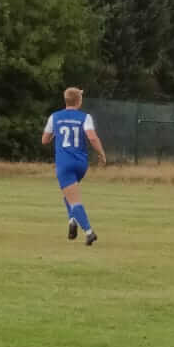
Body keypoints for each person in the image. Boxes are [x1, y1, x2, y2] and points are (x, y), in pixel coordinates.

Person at [42, 87, 106, 245]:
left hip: (64, 164)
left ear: (66, 100)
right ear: (79, 101)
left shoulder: (55, 117)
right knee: (69, 194)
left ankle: (89, 232)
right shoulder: (85, 117)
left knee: (74, 199)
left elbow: (45, 140)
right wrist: (101, 153)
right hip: (81, 164)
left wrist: (57, 132)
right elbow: (92, 137)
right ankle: (72, 221)